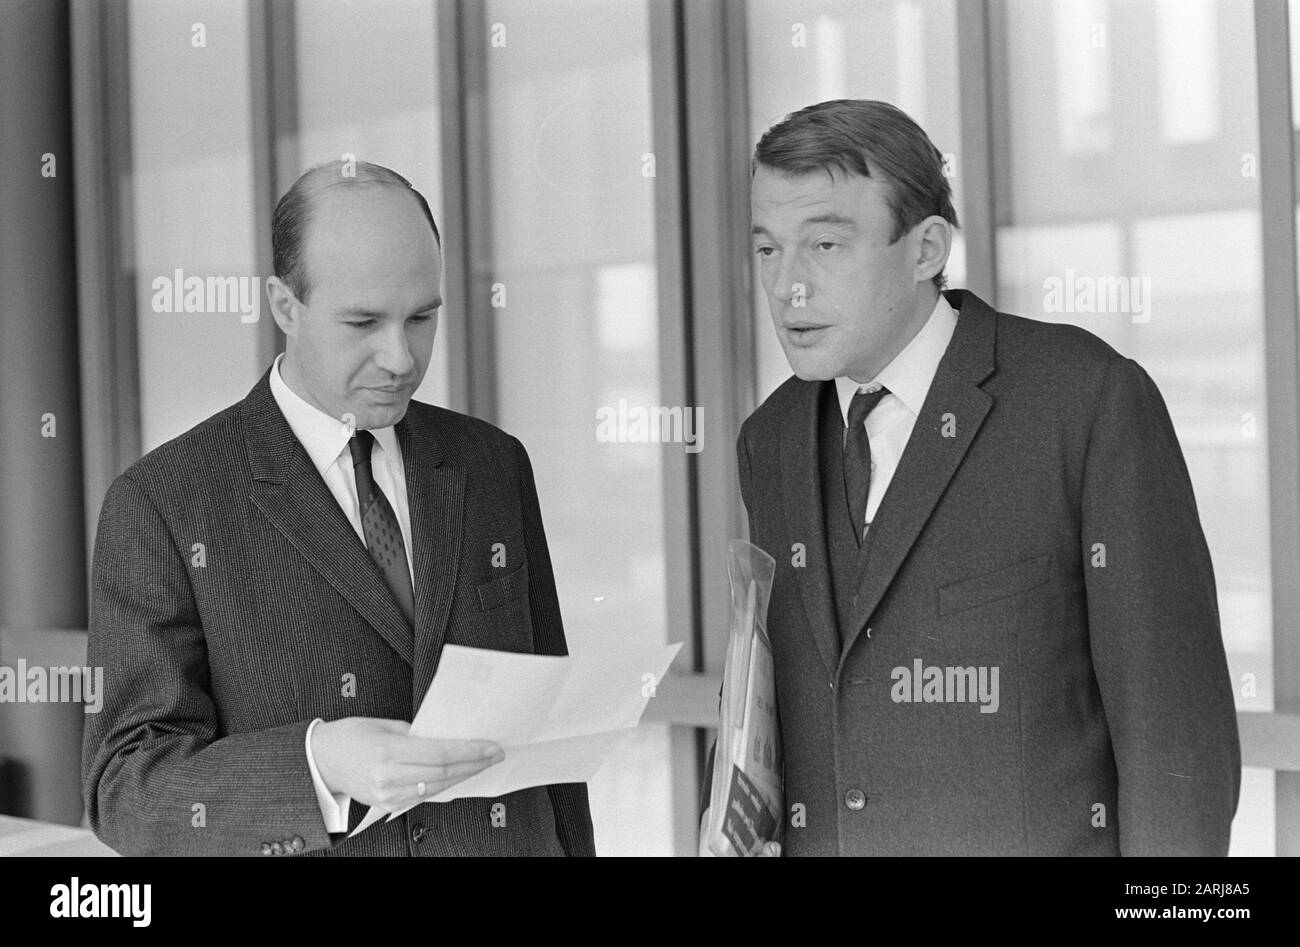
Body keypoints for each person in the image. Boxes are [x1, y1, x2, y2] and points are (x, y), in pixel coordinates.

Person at [713, 99, 1239, 856]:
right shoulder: (770, 439)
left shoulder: (1085, 399)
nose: (788, 285)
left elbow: (1175, 740)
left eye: (825, 244)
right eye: (767, 250)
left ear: (927, 247)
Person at [82, 160, 595, 856]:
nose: (400, 358)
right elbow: (125, 788)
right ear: (284, 306)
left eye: (422, 317)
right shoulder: (163, 503)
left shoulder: (492, 463)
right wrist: (318, 763)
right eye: (363, 321)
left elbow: (550, 752)